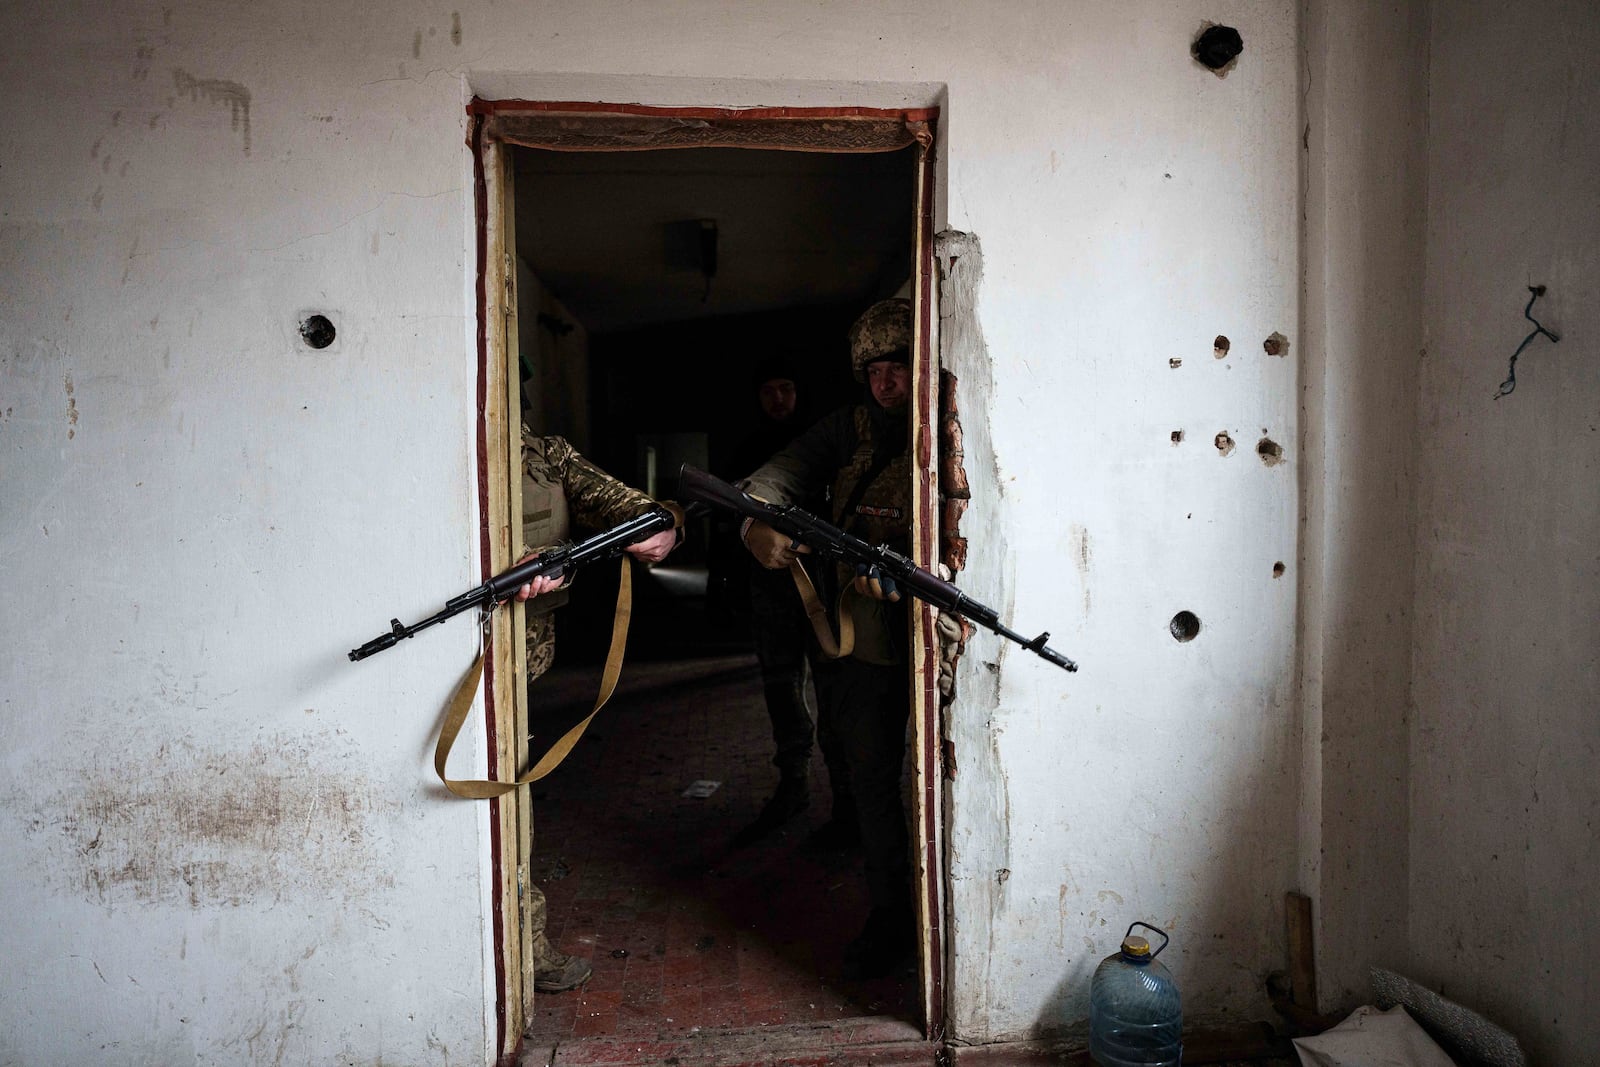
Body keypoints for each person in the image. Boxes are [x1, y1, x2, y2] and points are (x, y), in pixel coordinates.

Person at [737, 298, 917, 977]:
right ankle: (889, 909)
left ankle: (902, 906)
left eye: (897, 367)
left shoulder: (949, 428)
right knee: (861, 761)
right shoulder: (851, 428)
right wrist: (757, 524)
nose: (884, 383)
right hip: (858, 631)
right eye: (873, 370)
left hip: (933, 630)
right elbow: (776, 475)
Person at [511, 428, 680, 994]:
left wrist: (663, 524)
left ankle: (524, 943)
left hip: (519, 657)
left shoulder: (544, 453)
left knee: (510, 788)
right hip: (440, 647)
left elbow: (623, 503)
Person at [724, 362, 851, 849]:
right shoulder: (751, 447)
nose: (778, 398)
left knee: (835, 693)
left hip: (823, 584)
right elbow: (732, 514)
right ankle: (793, 784)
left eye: (787, 387)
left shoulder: (828, 442)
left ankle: (846, 802)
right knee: (782, 686)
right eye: (769, 390)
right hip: (769, 588)